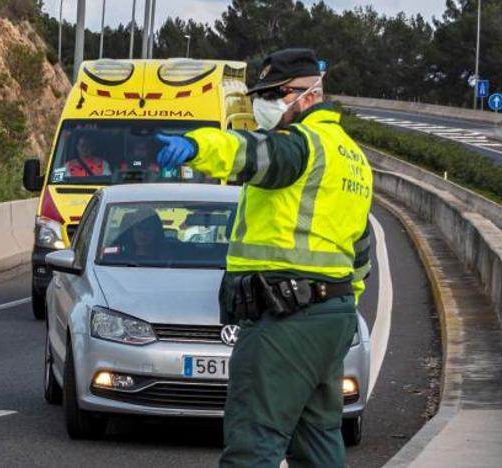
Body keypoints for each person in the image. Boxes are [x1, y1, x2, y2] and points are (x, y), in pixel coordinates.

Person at [155, 49, 373, 467]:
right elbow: (360, 250)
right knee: (318, 440)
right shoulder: (353, 159)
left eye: (276, 93)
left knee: (253, 443)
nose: (265, 103)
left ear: (308, 95)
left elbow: (249, 152)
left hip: (285, 318)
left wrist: (195, 144)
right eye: (263, 93)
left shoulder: (299, 147)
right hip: (331, 315)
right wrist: (345, 309)